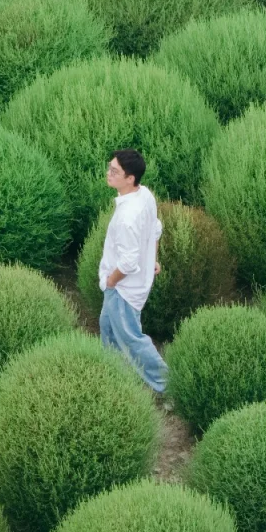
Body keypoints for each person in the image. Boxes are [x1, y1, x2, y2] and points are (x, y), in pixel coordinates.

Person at [97, 148, 168, 393]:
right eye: (110, 167)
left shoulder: (128, 215)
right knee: (107, 329)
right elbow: (155, 229)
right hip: (128, 285)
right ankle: (116, 381)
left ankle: (167, 386)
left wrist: (110, 281)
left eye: (114, 171)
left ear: (130, 178)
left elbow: (127, 263)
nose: (109, 173)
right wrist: (153, 259)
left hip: (123, 289)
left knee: (132, 339)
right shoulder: (145, 195)